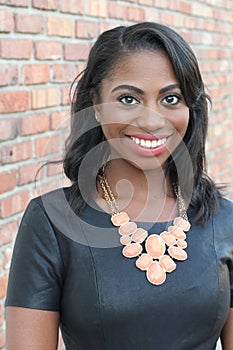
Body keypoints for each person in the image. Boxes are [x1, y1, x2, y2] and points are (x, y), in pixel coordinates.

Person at [5, 22, 233, 350]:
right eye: (128, 98)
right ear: (96, 104)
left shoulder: (224, 221)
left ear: (189, 109)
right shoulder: (52, 222)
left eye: (171, 98)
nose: (152, 121)